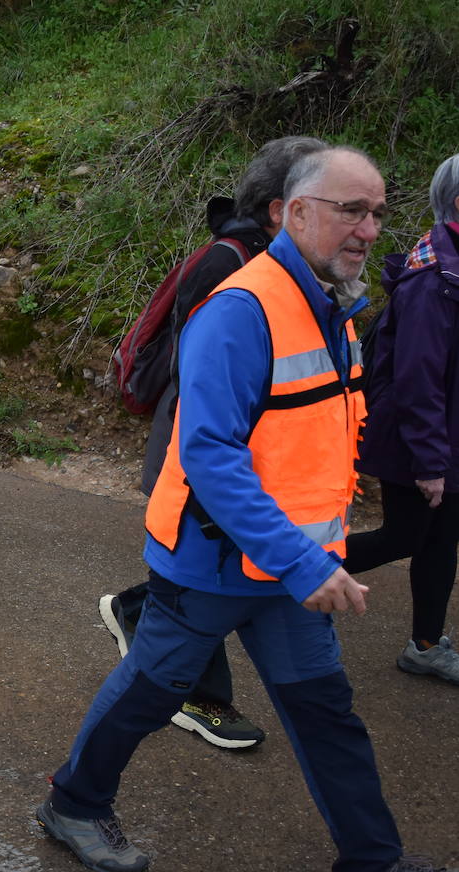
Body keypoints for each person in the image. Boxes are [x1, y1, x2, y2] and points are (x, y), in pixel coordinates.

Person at [36, 147, 459, 872]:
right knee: (151, 690)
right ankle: (71, 803)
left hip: (289, 566)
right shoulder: (241, 309)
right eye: (350, 211)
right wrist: (304, 563)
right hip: (213, 562)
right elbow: (210, 456)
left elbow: (317, 434)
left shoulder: (337, 306)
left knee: (325, 710)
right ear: (295, 214)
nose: (369, 228)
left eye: (377, 212)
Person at [99, 136, 327, 750]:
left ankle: (138, 614)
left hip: (233, 454)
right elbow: (202, 376)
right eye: (331, 204)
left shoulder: (286, 269)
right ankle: (194, 698)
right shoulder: (230, 266)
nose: (352, 225)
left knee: (213, 582)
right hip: (196, 449)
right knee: (205, 582)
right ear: (282, 209)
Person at [344, 153, 459, 685]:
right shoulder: (434, 279)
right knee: (404, 537)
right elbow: (418, 380)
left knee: (440, 539)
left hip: (443, 438)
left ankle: (427, 644)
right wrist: (432, 462)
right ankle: (283, 575)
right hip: (418, 440)